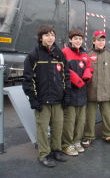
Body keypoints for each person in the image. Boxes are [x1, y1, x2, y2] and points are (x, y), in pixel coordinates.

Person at [23, 24, 70, 167]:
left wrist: (66, 95)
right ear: (40, 37)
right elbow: (28, 79)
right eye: (47, 35)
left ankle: (56, 150)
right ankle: (44, 154)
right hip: (42, 100)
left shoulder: (59, 54)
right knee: (42, 128)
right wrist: (32, 98)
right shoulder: (34, 54)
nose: (50, 38)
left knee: (57, 126)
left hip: (57, 98)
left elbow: (66, 75)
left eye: (52, 35)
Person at [81, 30, 110, 147]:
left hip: (106, 92)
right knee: (90, 116)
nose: (101, 42)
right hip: (91, 91)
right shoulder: (86, 54)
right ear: (93, 41)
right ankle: (88, 136)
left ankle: (108, 134)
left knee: (107, 114)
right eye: (99, 40)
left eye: (103, 40)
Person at [61, 29, 93, 156]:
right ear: (70, 40)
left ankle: (76, 141)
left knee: (80, 119)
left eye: (80, 39)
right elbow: (64, 69)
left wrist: (86, 76)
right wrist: (78, 81)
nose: (78, 41)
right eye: (75, 38)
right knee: (69, 120)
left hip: (82, 92)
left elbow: (90, 67)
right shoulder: (64, 52)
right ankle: (66, 144)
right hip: (70, 91)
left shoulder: (85, 54)